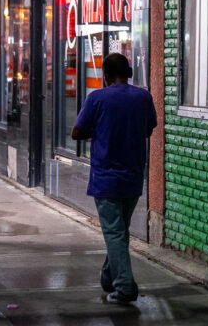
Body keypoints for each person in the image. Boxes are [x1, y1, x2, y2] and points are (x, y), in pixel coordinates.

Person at [72, 53, 157, 303]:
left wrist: (98, 130)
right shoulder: (143, 97)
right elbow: (149, 128)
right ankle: (109, 276)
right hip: (132, 177)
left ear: (106, 76)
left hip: (106, 178)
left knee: (115, 232)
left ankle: (124, 287)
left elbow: (77, 131)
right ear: (128, 73)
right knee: (119, 231)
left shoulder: (97, 98)